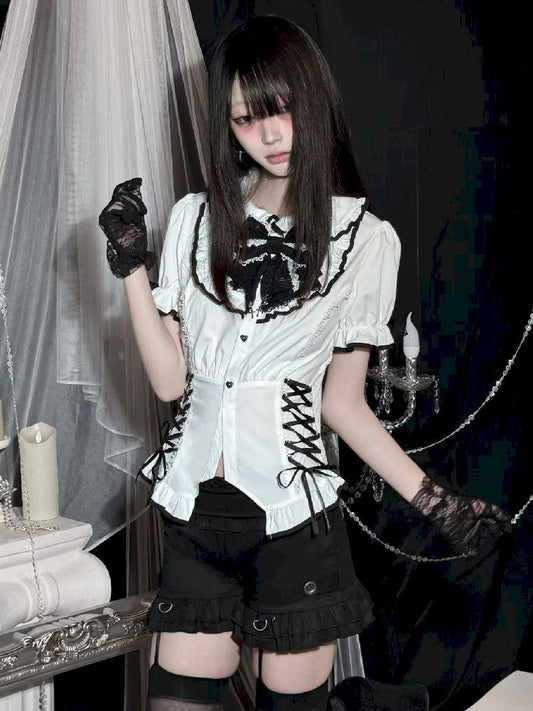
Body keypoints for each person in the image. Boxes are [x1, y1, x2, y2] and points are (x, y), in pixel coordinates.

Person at [98, 16, 511, 711]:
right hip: (197, 520)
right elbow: (170, 381)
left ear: (313, 100)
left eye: (282, 109)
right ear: (225, 126)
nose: (269, 135)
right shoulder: (195, 219)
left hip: (293, 527)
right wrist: (132, 269)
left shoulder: (363, 240)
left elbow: (340, 404)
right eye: (245, 118)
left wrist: (439, 503)